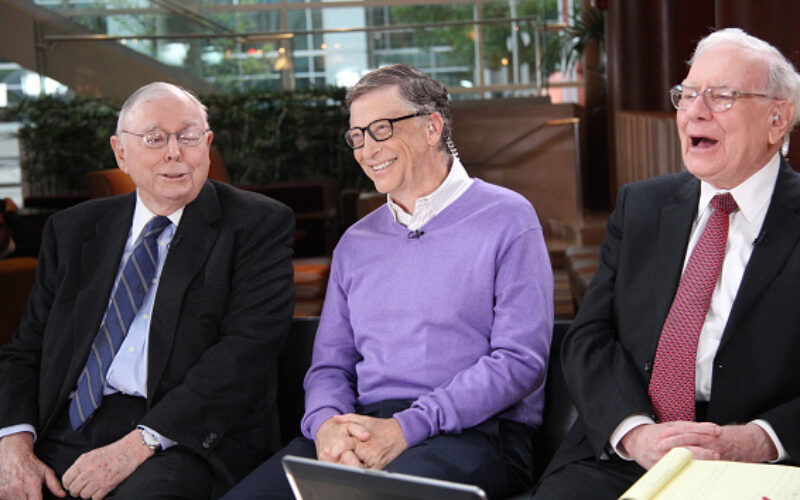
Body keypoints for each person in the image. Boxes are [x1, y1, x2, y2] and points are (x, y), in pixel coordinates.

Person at [224, 64, 553, 499]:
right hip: (361, 427)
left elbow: (519, 361)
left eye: (381, 129)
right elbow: (329, 366)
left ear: (432, 127)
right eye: (357, 136)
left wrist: (407, 427)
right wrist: (326, 425)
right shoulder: (355, 242)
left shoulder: (508, 218)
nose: (366, 150)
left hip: (475, 434)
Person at [533, 28, 800, 499]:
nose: (696, 111)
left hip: (761, 460)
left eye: (722, 96)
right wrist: (635, 433)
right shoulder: (641, 206)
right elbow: (589, 337)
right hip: (627, 449)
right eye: (688, 94)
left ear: (777, 119)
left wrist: (759, 440)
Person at [0, 82, 295, 499]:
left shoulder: (256, 225)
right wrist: (13, 444)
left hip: (181, 436)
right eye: (155, 139)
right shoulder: (73, 230)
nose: (174, 152)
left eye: (188, 137)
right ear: (120, 152)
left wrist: (138, 444)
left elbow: (244, 354)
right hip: (64, 424)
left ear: (207, 145)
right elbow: (27, 348)